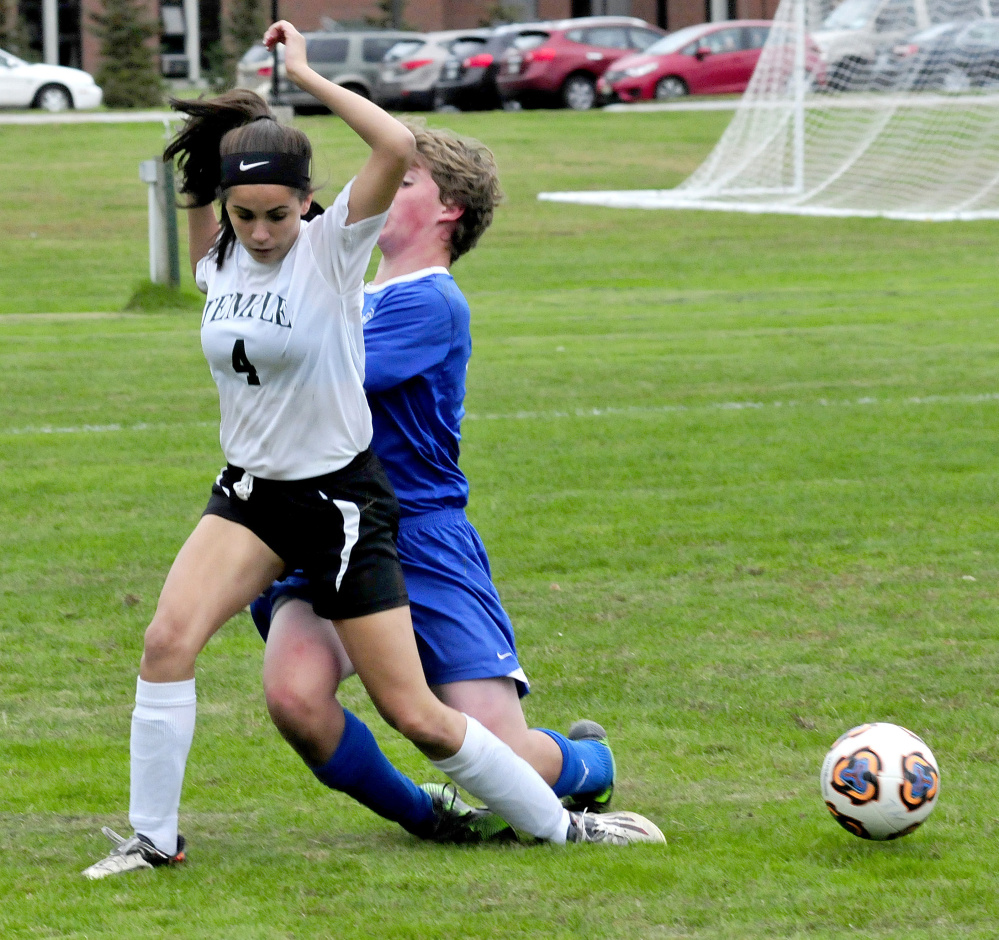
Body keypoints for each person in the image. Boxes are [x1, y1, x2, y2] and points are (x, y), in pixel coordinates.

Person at [82, 20, 660, 881]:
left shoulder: (331, 251)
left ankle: (565, 827)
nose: (265, 230)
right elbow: (210, 195)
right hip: (250, 494)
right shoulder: (224, 260)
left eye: (280, 212)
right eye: (247, 214)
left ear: (308, 201)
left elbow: (391, 142)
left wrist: (306, 73)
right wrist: (222, 146)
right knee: (169, 641)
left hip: (341, 505)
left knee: (418, 715)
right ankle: (153, 840)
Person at [249, 121, 666, 847]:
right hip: (330, 528)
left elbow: (323, 373)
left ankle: (587, 763)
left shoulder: (430, 302)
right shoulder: (347, 289)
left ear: (449, 211)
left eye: (402, 181)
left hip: (419, 537)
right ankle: (426, 817)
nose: (375, 189)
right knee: (294, 698)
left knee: (497, 754)